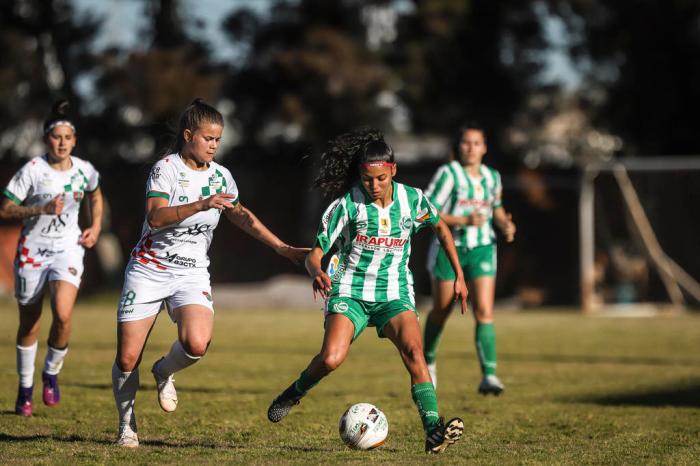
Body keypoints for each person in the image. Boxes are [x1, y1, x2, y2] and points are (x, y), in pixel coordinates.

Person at [112, 99, 307, 448]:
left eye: (218, 139)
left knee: (197, 343)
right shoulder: (166, 169)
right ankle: (126, 425)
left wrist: (282, 248)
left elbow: (241, 215)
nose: (215, 145)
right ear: (188, 136)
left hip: (192, 273)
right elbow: (156, 218)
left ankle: (163, 371)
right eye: (208, 138)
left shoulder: (221, 175)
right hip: (149, 269)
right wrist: (201, 204)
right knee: (127, 357)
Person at [267, 128, 468, 454]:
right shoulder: (346, 206)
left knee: (416, 354)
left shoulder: (413, 200)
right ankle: (295, 392)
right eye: (366, 179)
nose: (373, 186)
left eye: (380, 179)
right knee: (331, 359)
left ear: (393, 171)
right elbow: (316, 253)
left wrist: (459, 275)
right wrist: (317, 271)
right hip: (350, 291)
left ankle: (433, 431)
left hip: (394, 294)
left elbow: (441, 228)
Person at [0, 100, 103, 417]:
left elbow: (96, 194)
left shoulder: (84, 170)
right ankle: (25, 388)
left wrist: (95, 226)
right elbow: (5, 208)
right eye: (56, 137)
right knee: (29, 323)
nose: (62, 142)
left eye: (67, 138)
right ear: (48, 139)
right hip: (32, 250)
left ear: (74, 141)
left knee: (62, 313)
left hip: (67, 249)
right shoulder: (33, 170)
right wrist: (39, 209)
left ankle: (51, 373)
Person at [423, 122, 516, 395]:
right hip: (448, 249)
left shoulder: (492, 177)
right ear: (458, 146)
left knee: (485, 311)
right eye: (466, 142)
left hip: (482, 248)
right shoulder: (448, 174)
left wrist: (505, 224)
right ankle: (428, 363)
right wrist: (462, 219)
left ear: (484, 148)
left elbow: (496, 208)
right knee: (442, 309)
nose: (471, 148)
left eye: (477, 143)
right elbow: (427, 211)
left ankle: (489, 376)